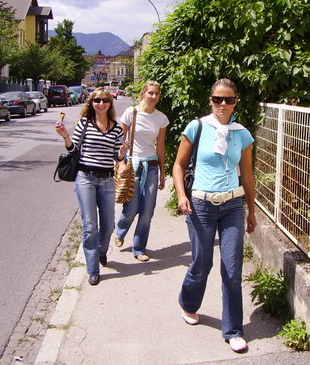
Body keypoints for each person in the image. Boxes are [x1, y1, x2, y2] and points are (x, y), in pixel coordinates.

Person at [172, 78, 257, 353]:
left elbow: (247, 175)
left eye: (229, 99)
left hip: (233, 205)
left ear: (236, 102)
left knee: (232, 269)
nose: (223, 104)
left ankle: (233, 330)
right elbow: (178, 165)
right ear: (210, 100)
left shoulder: (242, 133)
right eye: (218, 99)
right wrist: (182, 196)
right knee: (202, 263)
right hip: (201, 206)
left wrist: (252, 211)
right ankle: (188, 303)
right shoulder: (197, 127)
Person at [55, 88, 127, 286]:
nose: (101, 104)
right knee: (90, 225)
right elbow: (73, 149)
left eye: (105, 100)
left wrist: (121, 154)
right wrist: (65, 136)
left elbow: (117, 156)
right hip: (85, 178)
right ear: (91, 103)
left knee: (109, 224)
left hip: (106, 180)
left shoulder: (116, 128)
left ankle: (102, 252)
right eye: (97, 100)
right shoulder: (85, 124)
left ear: (110, 104)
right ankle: (93, 269)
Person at [114, 81, 169, 262]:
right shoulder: (132, 112)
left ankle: (139, 248)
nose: (154, 97)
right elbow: (120, 141)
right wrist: (120, 163)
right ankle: (120, 231)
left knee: (147, 211)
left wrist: (162, 172)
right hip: (133, 165)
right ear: (143, 93)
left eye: (157, 94)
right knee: (132, 207)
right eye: (150, 93)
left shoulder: (161, 118)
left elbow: (160, 146)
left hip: (151, 166)